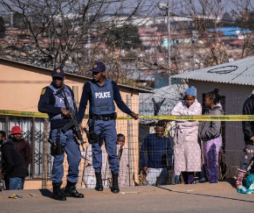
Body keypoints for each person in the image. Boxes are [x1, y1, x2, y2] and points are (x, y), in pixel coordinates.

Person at [78, 61, 139, 193]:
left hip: (109, 122)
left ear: (103, 73)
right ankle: (99, 181)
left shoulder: (112, 85)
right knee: (96, 150)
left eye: (96, 73)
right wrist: (78, 121)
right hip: (95, 122)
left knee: (112, 151)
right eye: (93, 73)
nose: (94, 75)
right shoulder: (88, 86)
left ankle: (115, 181)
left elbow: (119, 102)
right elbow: (82, 105)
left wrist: (131, 112)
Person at [38, 67, 84, 201]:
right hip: (58, 130)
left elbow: (73, 108)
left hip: (71, 129)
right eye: (55, 78)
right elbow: (41, 107)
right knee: (58, 159)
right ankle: (57, 189)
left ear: (64, 78)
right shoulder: (47, 91)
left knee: (75, 159)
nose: (57, 80)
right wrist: (59, 110)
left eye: (59, 78)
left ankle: (70, 187)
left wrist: (78, 123)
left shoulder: (68, 90)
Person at [171, 86, 202, 184]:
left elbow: (194, 119)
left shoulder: (198, 106)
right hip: (180, 137)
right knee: (181, 160)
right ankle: (184, 182)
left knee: (190, 160)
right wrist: (188, 117)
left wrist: (181, 116)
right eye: (187, 99)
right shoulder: (180, 103)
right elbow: (173, 114)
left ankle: (190, 181)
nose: (189, 101)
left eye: (191, 99)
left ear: (194, 98)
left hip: (191, 137)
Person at [198, 88, 224, 183]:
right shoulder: (209, 110)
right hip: (207, 139)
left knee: (212, 162)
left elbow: (215, 130)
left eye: (206, 99)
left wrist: (204, 134)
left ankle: (213, 181)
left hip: (212, 140)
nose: (205, 101)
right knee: (208, 162)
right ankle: (211, 180)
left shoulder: (216, 112)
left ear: (211, 100)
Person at [140, 121, 173, 186]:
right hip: (151, 167)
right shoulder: (149, 138)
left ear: (164, 130)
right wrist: (144, 165)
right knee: (149, 186)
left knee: (163, 187)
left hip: (163, 168)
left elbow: (169, 153)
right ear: (155, 129)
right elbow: (142, 151)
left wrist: (169, 164)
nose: (159, 133)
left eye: (161, 131)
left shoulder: (166, 140)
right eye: (158, 131)